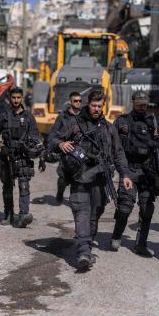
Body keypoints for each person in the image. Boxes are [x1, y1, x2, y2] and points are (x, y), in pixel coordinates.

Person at [51, 89, 133, 270]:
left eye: (99, 106)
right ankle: (83, 251)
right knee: (82, 212)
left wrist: (125, 175)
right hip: (80, 178)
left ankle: (87, 244)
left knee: (96, 212)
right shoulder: (74, 124)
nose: (96, 109)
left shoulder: (109, 128)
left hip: (101, 179)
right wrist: (60, 143)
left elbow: (118, 153)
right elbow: (53, 138)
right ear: (88, 104)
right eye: (93, 105)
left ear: (103, 106)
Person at [110, 91, 159, 256]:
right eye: (139, 102)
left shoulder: (153, 122)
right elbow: (113, 145)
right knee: (125, 207)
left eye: (145, 103)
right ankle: (117, 235)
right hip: (129, 169)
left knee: (147, 209)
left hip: (147, 171)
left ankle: (141, 244)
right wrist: (115, 167)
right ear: (132, 102)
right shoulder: (122, 121)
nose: (142, 105)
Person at [0, 87, 42, 228]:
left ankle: (23, 215)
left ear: (22, 98)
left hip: (22, 156)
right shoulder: (3, 116)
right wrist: (1, 147)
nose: (16, 100)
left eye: (18, 97)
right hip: (7, 156)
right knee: (7, 186)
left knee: (24, 186)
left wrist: (35, 149)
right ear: (10, 98)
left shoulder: (28, 116)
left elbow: (36, 136)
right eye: (13, 97)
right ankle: (8, 214)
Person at [46, 91, 82, 204]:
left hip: (80, 153)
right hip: (66, 153)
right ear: (70, 102)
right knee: (63, 179)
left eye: (80, 101)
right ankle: (60, 192)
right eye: (75, 101)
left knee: (79, 181)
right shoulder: (63, 117)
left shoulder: (84, 116)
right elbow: (52, 135)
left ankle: (75, 201)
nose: (78, 103)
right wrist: (60, 144)